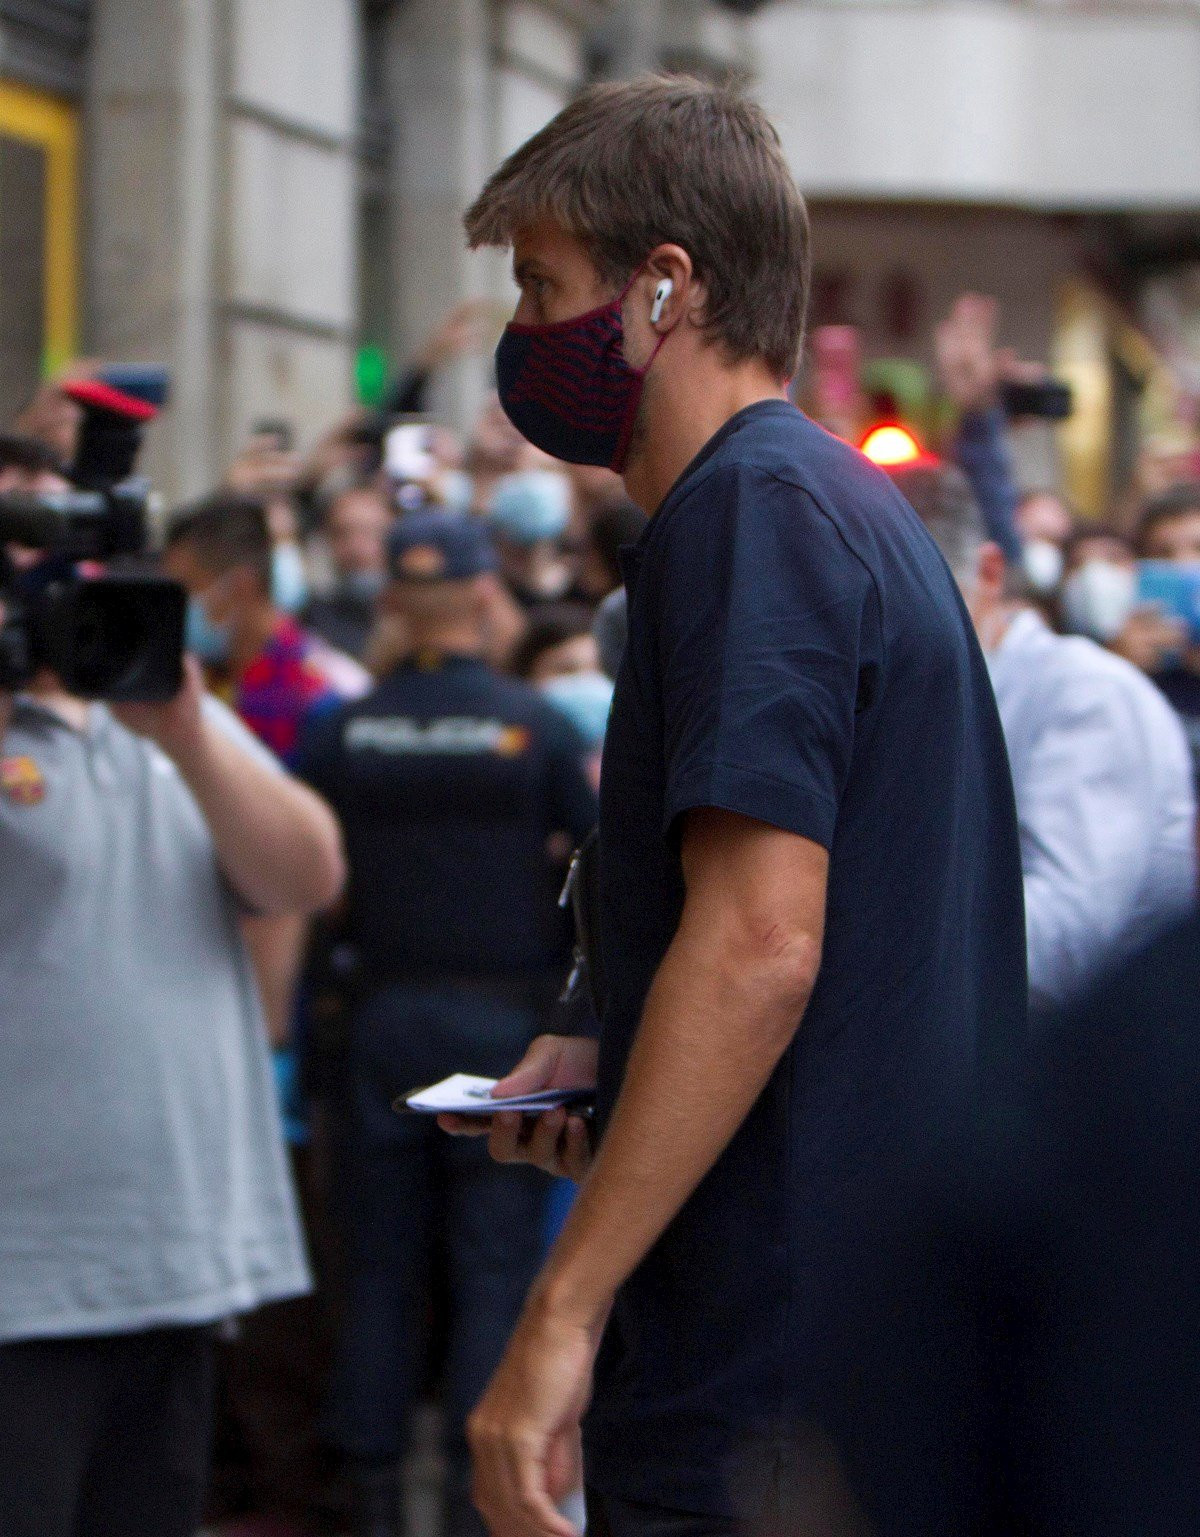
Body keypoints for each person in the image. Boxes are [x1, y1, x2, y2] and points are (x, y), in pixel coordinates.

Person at [444, 74, 1027, 1537]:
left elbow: (765, 942)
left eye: (542, 285)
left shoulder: (754, 512)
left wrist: (559, 1315)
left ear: (663, 288)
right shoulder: (823, 504)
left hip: (769, 1361)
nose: (523, 336)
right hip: (840, 1331)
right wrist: (614, 1057)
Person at [0, 612, 345, 1537]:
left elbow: (306, 875)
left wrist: (188, 732)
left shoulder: (150, 702)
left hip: (168, 1251)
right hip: (20, 1270)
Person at [295, 511, 599, 1537]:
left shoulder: (346, 727)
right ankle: (483, 1507)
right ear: (484, 596)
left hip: (380, 1015)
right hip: (501, 1029)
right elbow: (599, 866)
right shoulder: (534, 725)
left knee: (377, 1271)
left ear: (388, 602)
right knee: (492, 1269)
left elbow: (306, 885)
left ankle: (370, 1493)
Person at [889, 459, 1195, 1014]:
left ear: (988, 575)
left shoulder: (1084, 696)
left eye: (903, 608)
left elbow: (1060, 938)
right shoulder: (934, 700)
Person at [303, 480, 393, 660]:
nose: (356, 547)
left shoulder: (418, 620)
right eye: (342, 533)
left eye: (370, 532)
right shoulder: (311, 620)